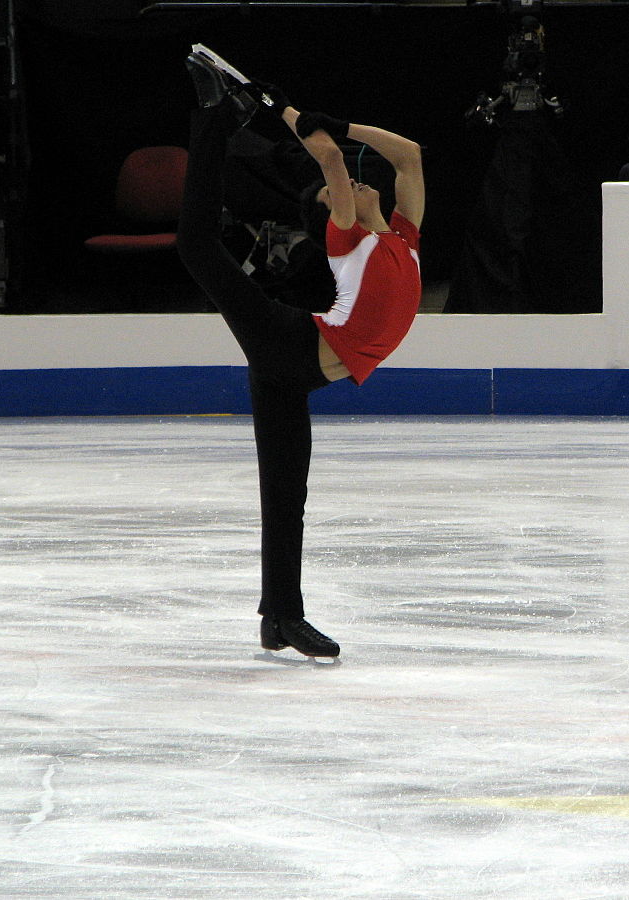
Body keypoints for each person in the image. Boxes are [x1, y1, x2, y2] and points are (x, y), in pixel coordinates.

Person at [177, 45, 425, 659]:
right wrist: (284, 111)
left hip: (296, 375)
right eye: (331, 195)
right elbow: (331, 158)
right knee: (199, 246)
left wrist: (337, 123)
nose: (351, 187)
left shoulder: (404, 235)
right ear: (330, 215)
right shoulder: (348, 237)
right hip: (287, 343)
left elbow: (409, 155)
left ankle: (280, 617)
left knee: (287, 493)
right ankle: (211, 117)